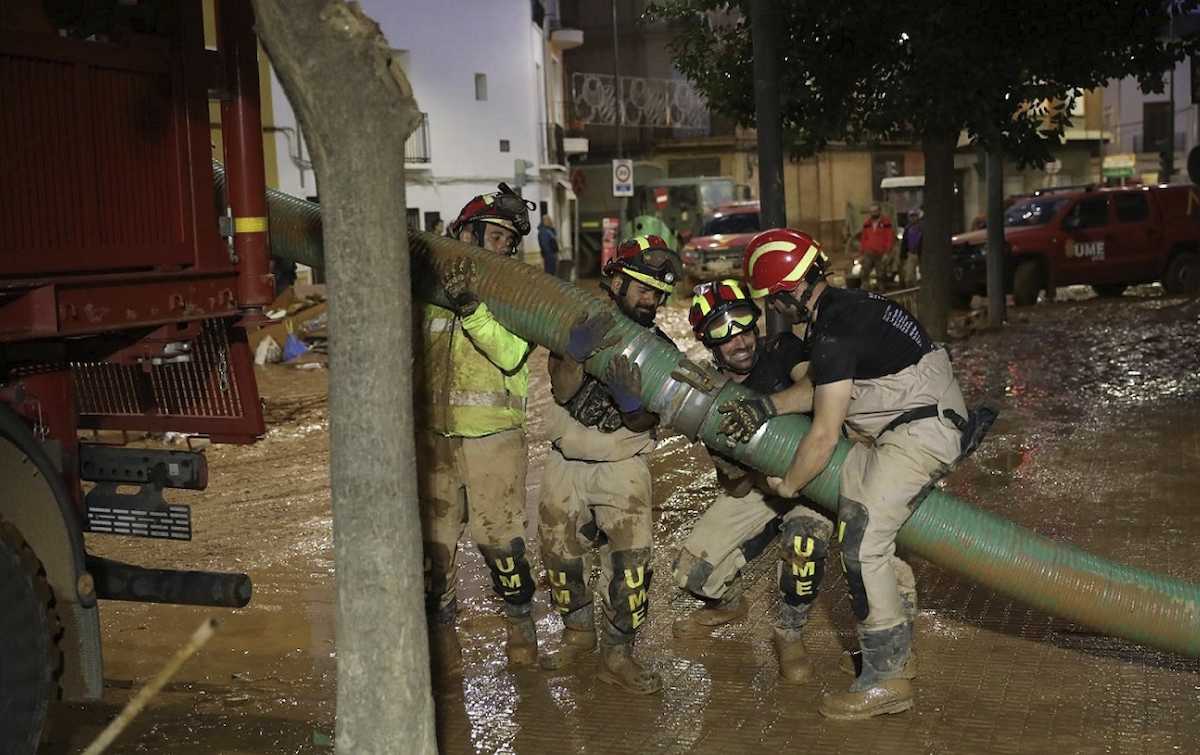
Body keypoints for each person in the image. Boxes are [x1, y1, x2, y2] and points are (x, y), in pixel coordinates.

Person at [721, 228, 989, 720]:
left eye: (773, 300)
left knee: (862, 542)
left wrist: (789, 486)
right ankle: (900, 646)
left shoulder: (833, 329)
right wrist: (767, 407)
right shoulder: (847, 309)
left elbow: (823, 435)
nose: (775, 310)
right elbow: (831, 390)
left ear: (787, 292)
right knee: (864, 522)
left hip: (918, 433)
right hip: (910, 422)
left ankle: (887, 681)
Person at [537, 234, 681, 695]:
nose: (651, 299)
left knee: (632, 568)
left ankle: (618, 655)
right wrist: (575, 353)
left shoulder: (660, 349)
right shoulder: (580, 327)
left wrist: (630, 404)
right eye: (642, 287)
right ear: (615, 281)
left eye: (657, 293)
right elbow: (561, 389)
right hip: (566, 462)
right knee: (560, 557)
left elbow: (652, 416)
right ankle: (578, 634)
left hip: (623, 465)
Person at [672, 279, 834, 685]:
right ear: (708, 343)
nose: (739, 341)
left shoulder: (783, 350)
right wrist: (729, 465)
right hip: (761, 489)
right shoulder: (714, 392)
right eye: (723, 334)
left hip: (812, 480)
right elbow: (739, 489)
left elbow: (817, 390)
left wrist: (767, 408)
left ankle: (789, 632)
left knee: (804, 543)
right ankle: (729, 604)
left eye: (744, 326)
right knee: (691, 571)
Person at [415, 183, 540, 679]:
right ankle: (443, 642)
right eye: (493, 236)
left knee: (501, 542)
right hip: (434, 440)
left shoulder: (517, 293)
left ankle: (520, 627)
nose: (501, 247)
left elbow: (510, 355)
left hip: (493, 438)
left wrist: (473, 309)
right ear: (464, 232)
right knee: (435, 550)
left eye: (508, 240)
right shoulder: (428, 292)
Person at [857, 204, 894, 290]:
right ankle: (865, 289)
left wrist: (887, 252)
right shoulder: (867, 224)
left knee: (880, 273)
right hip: (868, 252)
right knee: (864, 271)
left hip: (881, 252)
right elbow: (864, 239)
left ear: (879, 211)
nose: (873, 213)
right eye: (871, 211)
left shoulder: (886, 223)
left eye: (875, 211)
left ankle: (881, 290)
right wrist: (862, 253)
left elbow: (889, 238)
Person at [900, 209, 923, 287]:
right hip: (911, 254)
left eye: (915, 216)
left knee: (923, 273)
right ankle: (912, 290)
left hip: (921, 253)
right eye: (911, 216)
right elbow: (904, 242)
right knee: (909, 276)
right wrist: (903, 255)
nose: (913, 218)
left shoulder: (922, 228)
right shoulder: (907, 228)